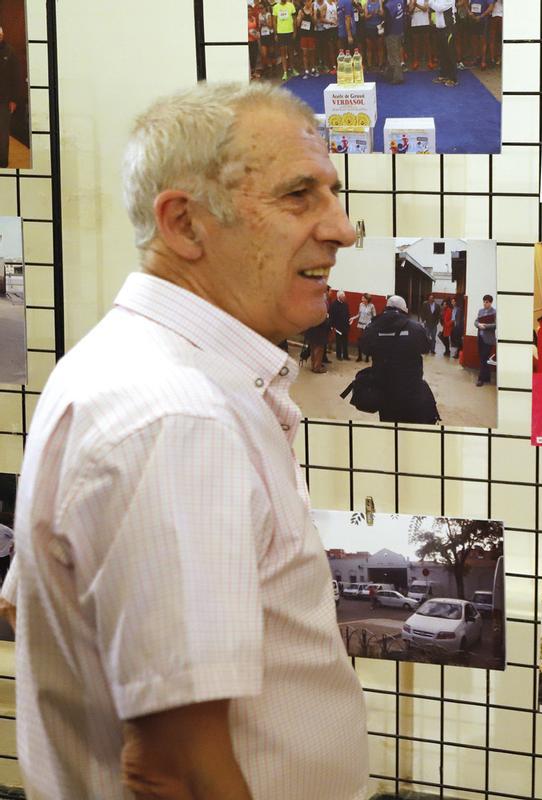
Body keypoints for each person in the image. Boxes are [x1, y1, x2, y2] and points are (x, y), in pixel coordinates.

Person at [0, 82, 369, 799]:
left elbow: (31, 603)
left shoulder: (130, 365)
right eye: (300, 196)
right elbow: (174, 773)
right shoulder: (177, 417)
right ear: (185, 224)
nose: (342, 228)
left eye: (332, 192)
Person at [358, 295, 440, 423]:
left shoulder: (373, 327)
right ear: (404, 309)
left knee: (389, 428)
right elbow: (425, 348)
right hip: (411, 389)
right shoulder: (416, 328)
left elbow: (364, 349)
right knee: (410, 429)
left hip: (385, 391)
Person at [0, 27, 21, 170]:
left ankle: (2, 161)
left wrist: (14, 100)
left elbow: (16, 77)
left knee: (2, 133)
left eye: (0, 35)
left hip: (4, 100)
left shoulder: (10, 52)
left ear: (3, 35)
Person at [429, 0, 457, 86]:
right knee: (442, 53)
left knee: (450, 53)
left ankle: (453, 78)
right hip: (440, 29)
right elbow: (435, 8)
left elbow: (439, 8)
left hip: (449, 28)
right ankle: (443, 74)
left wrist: (430, 2)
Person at [382, 0, 407, 83]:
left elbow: (388, 21)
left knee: (393, 55)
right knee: (395, 53)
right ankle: (390, 73)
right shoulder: (400, 1)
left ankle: (398, 77)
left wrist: (384, 30)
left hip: (391, 33)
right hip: (400, 30)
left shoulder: (388, 5)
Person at [303, 303, 331, 372]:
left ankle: (313, 366)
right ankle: (317, 368)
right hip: (319, 335)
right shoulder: (321, 313)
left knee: (313, 351)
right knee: (319, 351)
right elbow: (324, 323)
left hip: (311, 334)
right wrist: (327, 318)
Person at [273, 1, 298, 79]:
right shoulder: (275, 7)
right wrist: (275, 33)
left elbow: (295, 20)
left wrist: (295, 32)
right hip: (281, 33)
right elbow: (274, 21)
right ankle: (285, 72)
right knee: (283, 53)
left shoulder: (291, 6)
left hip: (290, 32)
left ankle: (292, 68)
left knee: (291, 51)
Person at [475, 293, 496, 386]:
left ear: (490, 303)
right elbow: (476, 321)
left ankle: (480, 379)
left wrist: (485, 326)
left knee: (483, 358)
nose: (485, 304)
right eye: (484, 302)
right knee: (483, 358)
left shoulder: (494, 312)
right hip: (480, 337)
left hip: (488, 339)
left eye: (486, 302)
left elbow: (496, 325)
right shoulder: (480, 311)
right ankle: (487, 377)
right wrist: (478, 325)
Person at [408, 0, 434, 70]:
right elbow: (410, 11)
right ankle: (416, 61)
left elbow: (425, 9)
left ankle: (430, 61)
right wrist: (413, 5)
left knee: (427, 43)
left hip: (425, 23)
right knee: (415, 43)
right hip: (415, 23)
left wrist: (415, 4)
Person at [330, 289, 351, 360]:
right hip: (338, 327)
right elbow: (332, 316)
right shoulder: (334, 304)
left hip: (345, 326)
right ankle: (338, 356)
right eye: (343, 296)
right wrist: (333, 326)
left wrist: (349, 322)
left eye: (344, 296)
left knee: (345, 342)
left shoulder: (345, 304)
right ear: (339, 297)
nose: (344, 297)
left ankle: (345, 355)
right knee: (338, 342)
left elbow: (348, 314)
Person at [354, 291, 376, 360]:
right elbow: (359, 314)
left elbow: (374, 316)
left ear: (367, 299)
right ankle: (359, 356)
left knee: (367, 340)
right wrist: (353, 317)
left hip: (367, 325)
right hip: (360, 324)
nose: (362, 299)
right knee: (360, 340)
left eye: (363, 298)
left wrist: (371, 323)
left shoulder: (372, 306)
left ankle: (367, 357)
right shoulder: (361, 304)